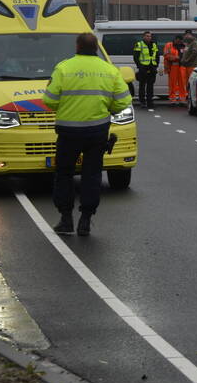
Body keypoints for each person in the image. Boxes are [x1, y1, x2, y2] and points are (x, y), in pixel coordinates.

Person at [43, 33, 131, 236]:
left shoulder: (64, 68)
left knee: (64, 174)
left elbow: (49, 100)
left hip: (68, 133)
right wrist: (108, 109)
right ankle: (85, 220)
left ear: (77, 47)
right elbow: (123, 101)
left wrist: (66, 107)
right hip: (97, 131)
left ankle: (66, 219)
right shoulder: (110, 71)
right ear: (96, 48)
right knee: (92, 175)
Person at [133, 31, 160, 110]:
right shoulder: (139, 44)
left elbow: (157, 55)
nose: (149, 37)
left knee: (150, 86)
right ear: (143, 37)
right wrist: (140, 66)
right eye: (147, 36)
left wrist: (156, 65)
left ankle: (150, 102)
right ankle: (142, 102)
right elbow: (136, 57)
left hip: (152, 67)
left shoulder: (154, 44)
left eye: (150, 36)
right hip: (143, 67)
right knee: (142, 85)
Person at [163, 35, 187, 104]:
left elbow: (186, 55)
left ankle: (182, 98)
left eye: (180, 41)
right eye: (178, 41)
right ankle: (172, 98)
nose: (179, 42)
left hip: (182, 66)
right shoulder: (169, 45)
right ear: (176, 39)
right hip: (173, 66)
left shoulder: (184, 46)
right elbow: (166, 55)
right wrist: (175, 58)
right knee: (172, 83)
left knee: (182, 83)